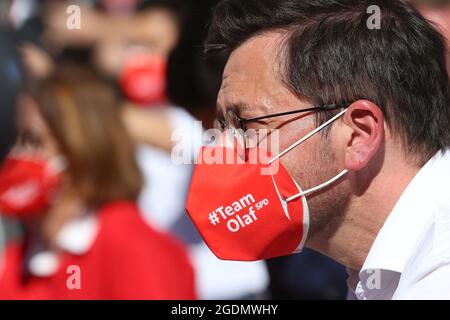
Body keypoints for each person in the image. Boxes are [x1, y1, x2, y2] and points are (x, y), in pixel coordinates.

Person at [194, 0, 450, 299]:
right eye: (222, 127)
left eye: (245, 125)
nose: (222, 148)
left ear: (359, 134)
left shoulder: (439, 277)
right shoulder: (378, 274)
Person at [0, 65, 196, 300]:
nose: (18, 155)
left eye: (34, 141)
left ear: (80, 146)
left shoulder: (134, 249)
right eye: (16, 140)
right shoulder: (17, 262)